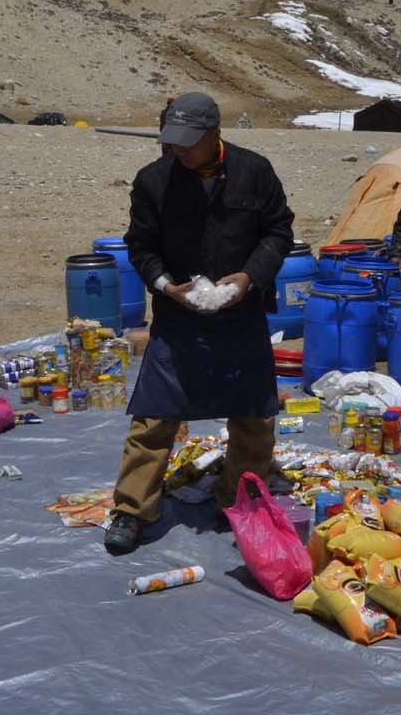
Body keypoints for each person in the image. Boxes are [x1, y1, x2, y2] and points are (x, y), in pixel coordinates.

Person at [106, 92, 295, 554]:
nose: (179, 152)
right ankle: (132, 509)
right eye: (172, 143)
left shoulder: (255, 171)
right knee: (153, 416)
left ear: (215, 135)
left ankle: (239, 498)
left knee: (253, 416)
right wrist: (166, 286)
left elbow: (278, 231)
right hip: (179, 316)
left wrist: (249, 277)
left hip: (242, 312)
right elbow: (141, 246)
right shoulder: (153, 181)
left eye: (189, 143)